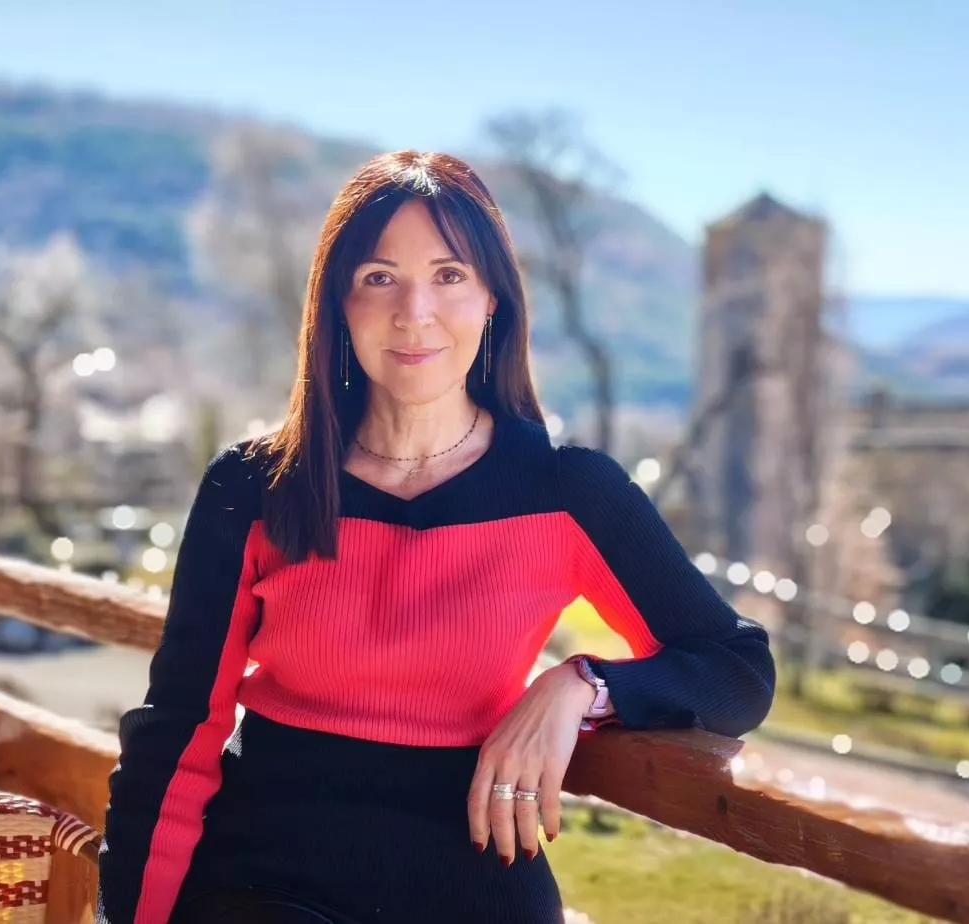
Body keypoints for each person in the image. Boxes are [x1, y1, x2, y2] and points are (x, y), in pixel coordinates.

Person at [96, 150, 776, 924]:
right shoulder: (252, 487)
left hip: (475, 881)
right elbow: (177, 731)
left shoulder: (569, 491)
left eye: (449, 275)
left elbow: (737, 669)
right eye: (379, 277)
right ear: (338, 305)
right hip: (263, 880)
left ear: (493, 299)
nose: (414, 312)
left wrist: (584, 686)